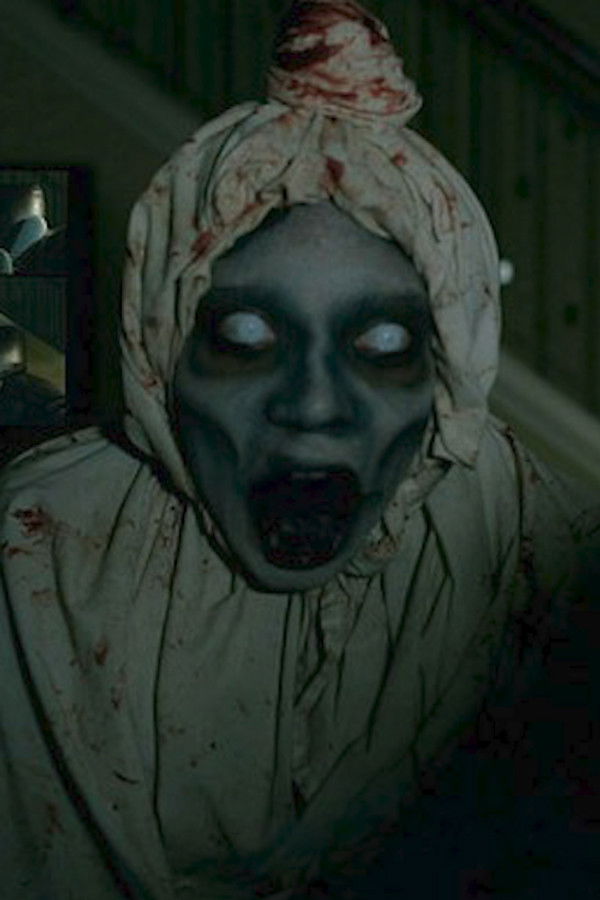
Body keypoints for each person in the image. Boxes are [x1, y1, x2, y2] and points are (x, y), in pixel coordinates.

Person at [1, 1, 598, 897]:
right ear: (161, 358)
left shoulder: (536, 567)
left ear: (447, 380)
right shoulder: (42, 558)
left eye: (385, 347)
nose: (314, 406)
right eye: (243, 338)